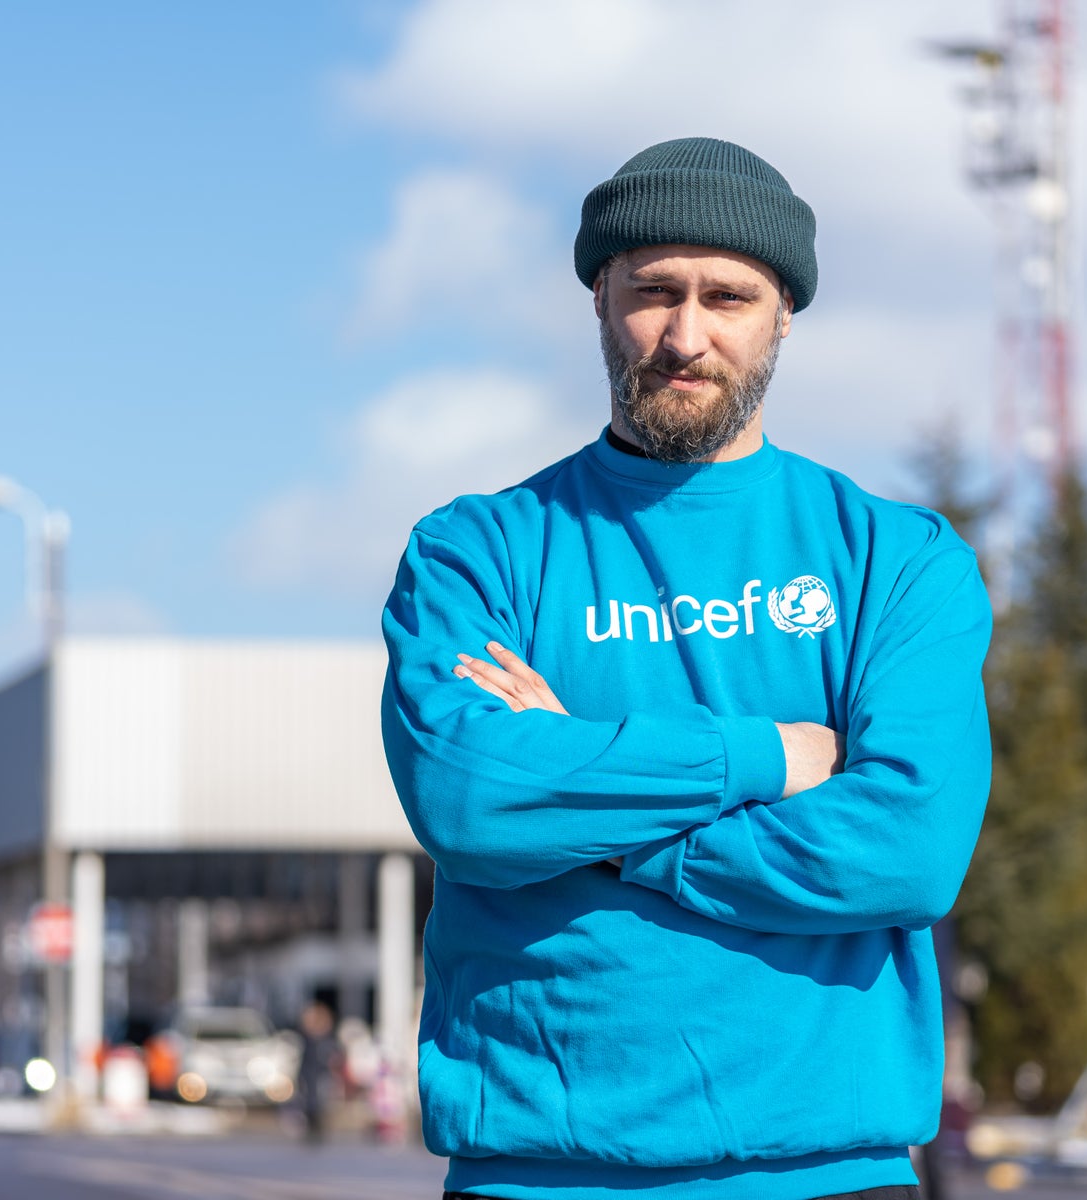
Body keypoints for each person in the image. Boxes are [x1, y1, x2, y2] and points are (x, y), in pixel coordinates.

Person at [381, 137, 992, 1200]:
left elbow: (909, 848)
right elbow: (472, 796)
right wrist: (765, 754)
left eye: (730, 297)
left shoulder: (899, 559)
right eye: (653, 290)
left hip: (827, 1171)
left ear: (785, 313)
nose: (685, 334)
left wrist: (607, 832)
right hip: (536, 1168)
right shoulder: (475, 551)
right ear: (600, 297)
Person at [294, 996, 340, 1145]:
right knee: (309, 1103)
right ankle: (311, 1129)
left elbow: (333, 1057)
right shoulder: (306, 1038)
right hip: (309, 1074)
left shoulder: (327, 1038)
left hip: (321, 1075)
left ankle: (318, 1129)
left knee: (321, 1102)